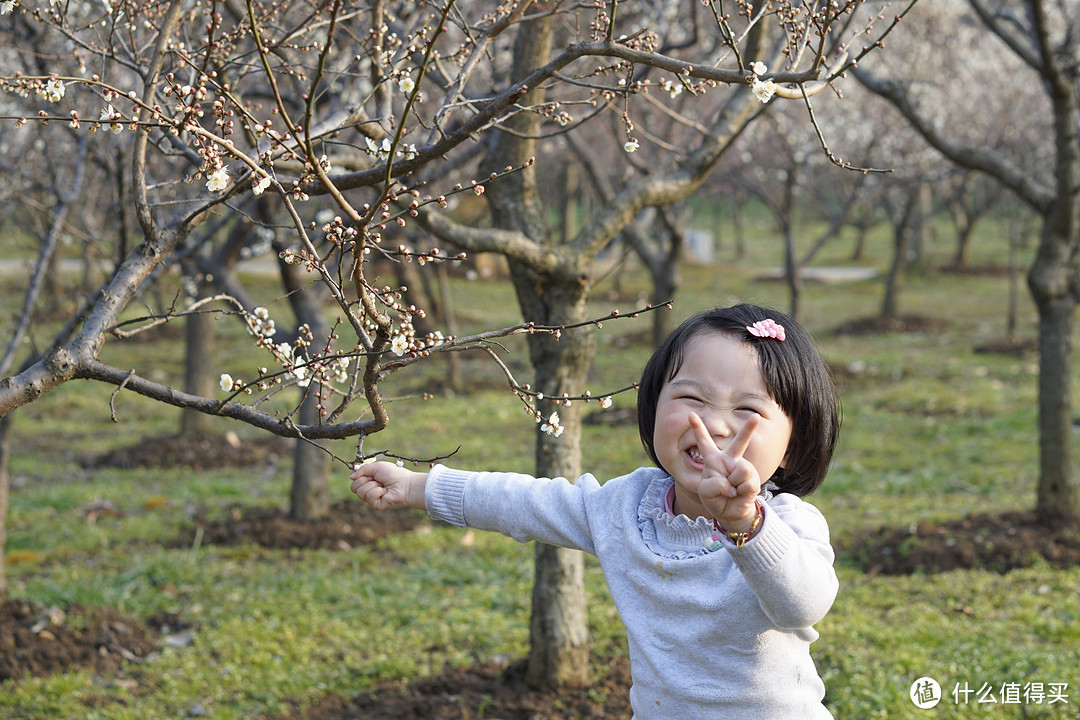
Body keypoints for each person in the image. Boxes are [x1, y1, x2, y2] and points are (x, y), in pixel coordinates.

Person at [350, 303, 841, 719]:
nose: (712, 424)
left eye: (748, 411)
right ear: (652, 410)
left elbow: (802, 605)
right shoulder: (625, 508)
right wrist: (420, 486)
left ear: (794, 445)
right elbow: (523, 502)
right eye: (691, 397)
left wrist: (747, 525)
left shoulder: (791, 525)